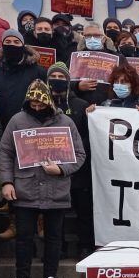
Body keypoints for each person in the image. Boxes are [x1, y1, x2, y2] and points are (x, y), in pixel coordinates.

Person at [0, 80, 85, 278]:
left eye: (40, 103)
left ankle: (51, 277)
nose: (36, 107)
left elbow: (80, 155)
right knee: (24, 237)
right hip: (25, 187)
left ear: (49, 101)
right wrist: (6, 182)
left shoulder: (65, 122)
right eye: (33, 103)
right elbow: (5, 152)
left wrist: (62, 169)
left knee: (54, 236)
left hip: (56, 188)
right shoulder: (17, 120)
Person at [47, 62, 93, 256]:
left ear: (68, 81)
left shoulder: (80, 105)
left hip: (78, 168)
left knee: (83, 211)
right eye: (53, 77)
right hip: (52, 169)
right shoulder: (42, 105)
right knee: (57, 215)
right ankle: (59, 248)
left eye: (61, 77)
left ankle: (85, 246)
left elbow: (88, 135)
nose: (57, 81)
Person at [0, 30, 47, 128]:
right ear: (3, 45)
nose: (12, 45)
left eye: (16, 42)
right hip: (2, 129)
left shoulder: (38, 72)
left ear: (23, 45)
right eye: (8, 42)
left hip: (32, 128)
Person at [74, 23, 119, 106]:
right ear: (83, 38)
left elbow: (128, 80)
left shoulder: (116, 57)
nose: (92, 39)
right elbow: (66, 80)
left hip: (109, 106)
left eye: (96, 35)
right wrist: (77, 86)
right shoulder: (76, 57)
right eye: (88, 35)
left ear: (104, 38)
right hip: (82, 106)